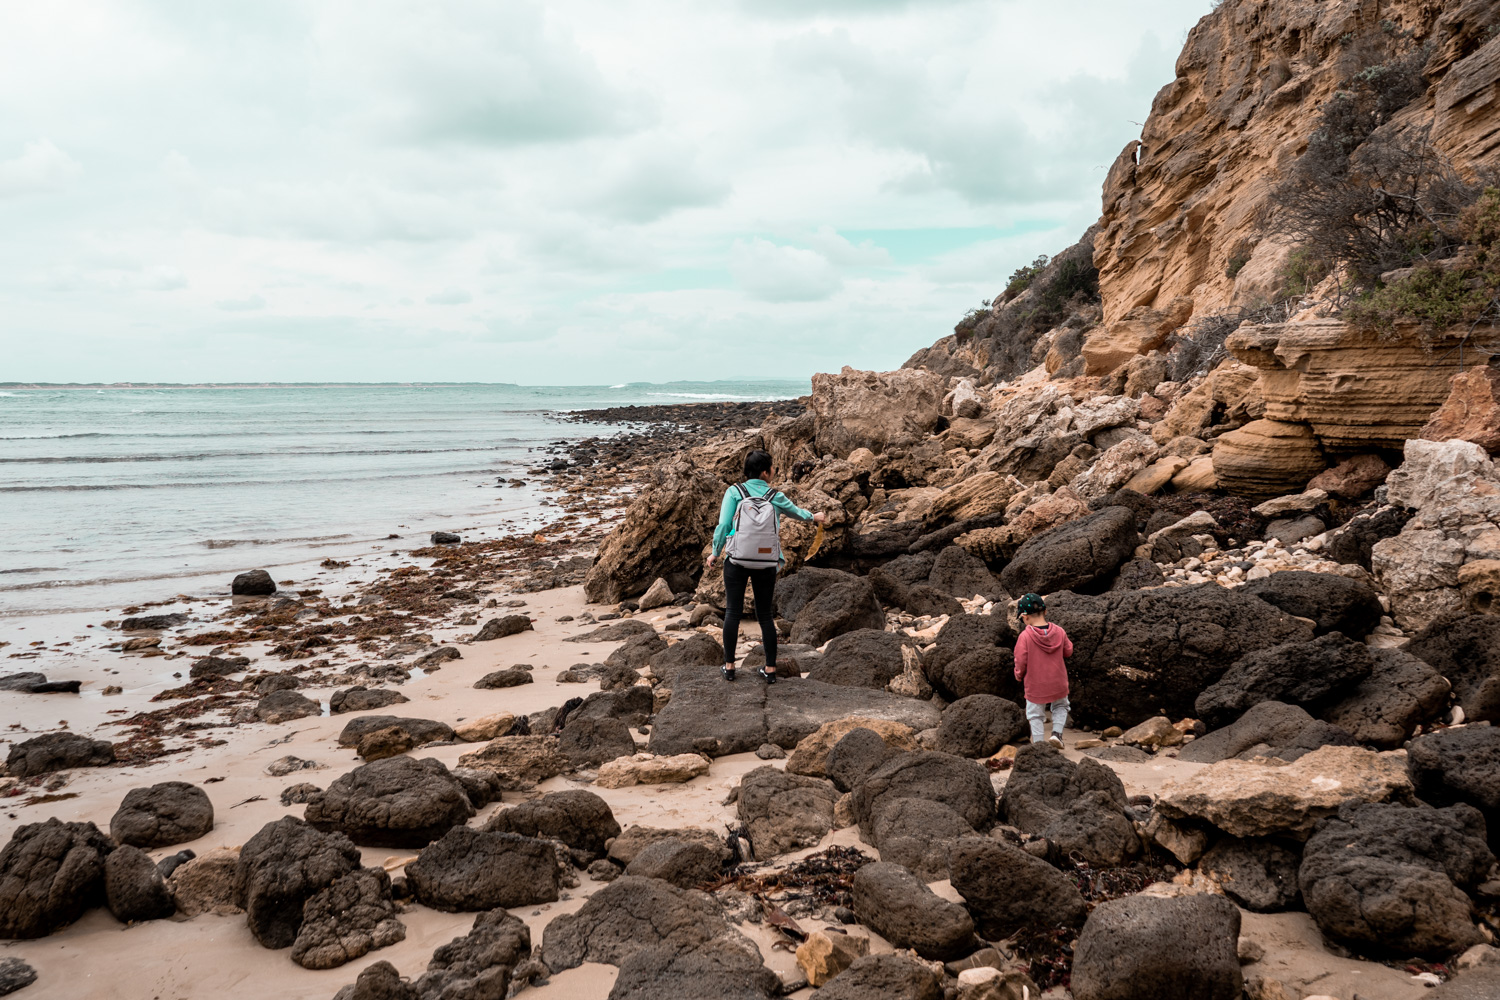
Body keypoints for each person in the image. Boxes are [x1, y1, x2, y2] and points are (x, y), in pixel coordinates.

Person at [705, 449, 825, 683]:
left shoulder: (734, 492)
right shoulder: (774, 496)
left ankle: (729, 667)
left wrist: (715, 553)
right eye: (772, 469)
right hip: (766, 561)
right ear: (764, 472)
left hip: (737, 560)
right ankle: (770, 669)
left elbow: (722, 526)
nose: (773, 472)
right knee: (765, 616)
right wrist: (815, 517)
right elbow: (797, 513)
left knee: (732, 612)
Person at [1013, 592, 1072, 747]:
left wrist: (1018, 675)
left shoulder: (1025, 637)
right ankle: (1057, 734)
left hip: (1035, 684)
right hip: (1058, 681)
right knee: (1061, 706)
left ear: (1025, 617)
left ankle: (1039, 744)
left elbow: (1020, 660)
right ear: (1045, 611)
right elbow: (1068, 651)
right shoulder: (1059, 631)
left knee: (1035, 714)